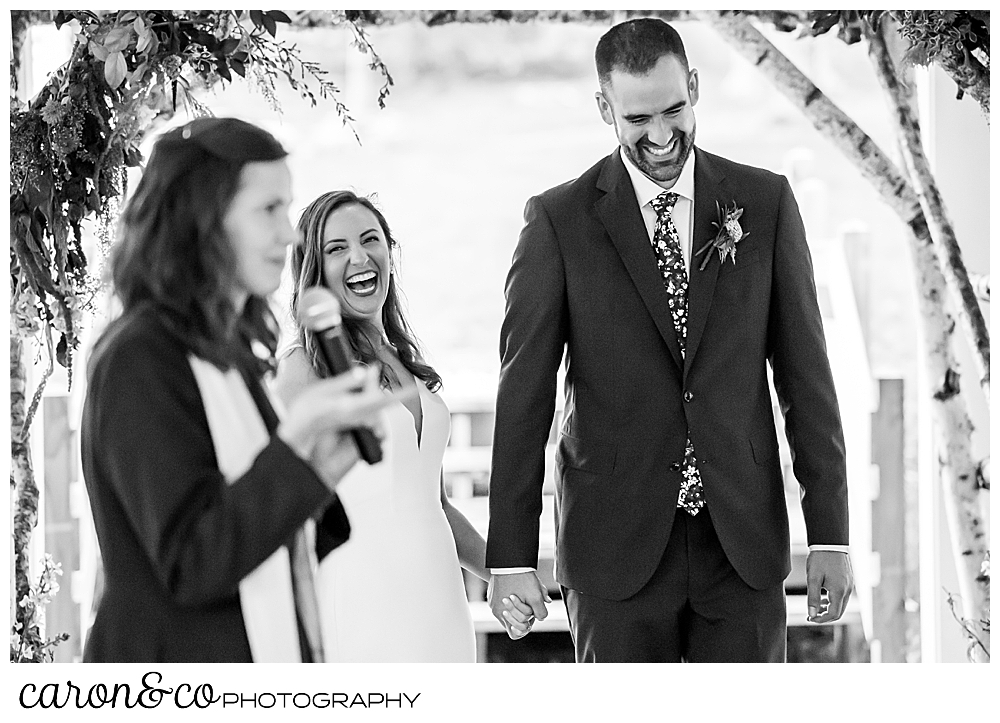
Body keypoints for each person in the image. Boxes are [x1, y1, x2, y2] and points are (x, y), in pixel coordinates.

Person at [485, 18, 854, 662]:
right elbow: (525, 395)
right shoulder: (557, 222)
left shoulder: (763, 203)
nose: (660, 136)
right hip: (614, 550)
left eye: (674, 109)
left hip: (740, 546)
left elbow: (806, 378)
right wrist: (511, 558)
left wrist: (831, 537)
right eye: (637, 118)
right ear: (605, 107)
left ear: (695, 87)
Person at [80, 117, 405, 663]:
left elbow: (260, 525)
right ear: (201, 221)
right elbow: (191, 559)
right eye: (268, 210)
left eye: (288, 208)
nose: (290, 234)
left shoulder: (231, 354)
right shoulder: (139, 359)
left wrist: (324, 463)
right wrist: (297, 442)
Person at [273, 190, 500, 662]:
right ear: (313, 270)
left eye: (370, 239)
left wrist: (502, 573)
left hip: (439, 602)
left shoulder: (405, 363)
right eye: (336, 248)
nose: (359, 256)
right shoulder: (304, 367)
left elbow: (432, 504)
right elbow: (284, 506)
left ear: (389, 253)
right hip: (360, 602)